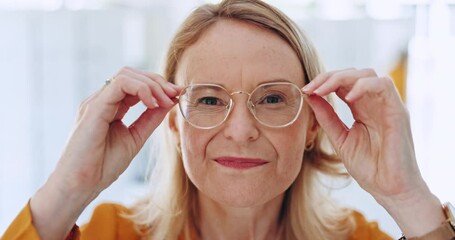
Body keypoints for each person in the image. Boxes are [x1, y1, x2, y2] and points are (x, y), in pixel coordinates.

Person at [2, 0, 454, 239]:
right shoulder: (110, 235)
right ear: (175, 123)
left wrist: (408, 199)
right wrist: (67, 188)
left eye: (274, 97)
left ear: (313, 124)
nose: (240, 131)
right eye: (211, 100)